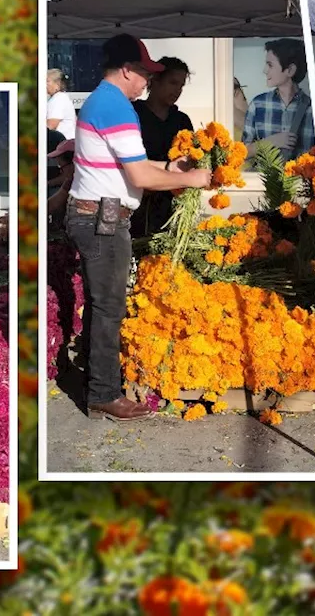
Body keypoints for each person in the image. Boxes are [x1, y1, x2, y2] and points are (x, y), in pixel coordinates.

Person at [67, 34, 210, 422]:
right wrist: (194, 179)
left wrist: (174, 169)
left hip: (100, 214)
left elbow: (136, 167)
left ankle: (99, 387)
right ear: (127, 70)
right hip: (103, 219)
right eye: (146, 73)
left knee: (104, 305)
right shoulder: (116, 106)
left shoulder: (106, 101)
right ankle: (103, 394)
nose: (148, 81)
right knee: (109, 308)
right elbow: (139, 174)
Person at [131, 57, 195, 237]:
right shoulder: (134, 114)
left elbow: (192, 158)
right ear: (155, 80)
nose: (177, 90)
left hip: (172, 204)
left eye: (181, 86)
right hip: (137, 201)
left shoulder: (181, 120)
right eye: (173, 83)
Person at [242, 38, 315, 162]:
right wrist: (272, 141)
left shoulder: (314, 110)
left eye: (270, 65)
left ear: (290, 70)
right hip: (262, 181)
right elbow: (242, 153)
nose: (264, 71)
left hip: (300, 181)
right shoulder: (258, 105)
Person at [46, 69, 77, 140]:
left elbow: (51, 126)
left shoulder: (58, 99)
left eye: (47, 81)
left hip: (62, 145)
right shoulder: (61, 97)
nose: (45, 84)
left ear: (58, 84)